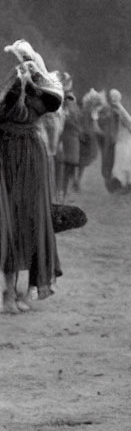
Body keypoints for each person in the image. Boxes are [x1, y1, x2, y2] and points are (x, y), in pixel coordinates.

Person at [0, 40, 63, 313]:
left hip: (31, 159)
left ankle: (21, 292)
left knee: (30, 221)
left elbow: (53, 99)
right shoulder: (13, 95)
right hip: (11, 158)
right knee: (11, 222)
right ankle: (8, 295)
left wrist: (31, 72)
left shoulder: (42, 91)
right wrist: (23, 79)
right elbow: (10, 101)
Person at [107, 89, 131, 192]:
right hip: (124, 140)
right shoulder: (118, 108)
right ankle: (126, 185)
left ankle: (127, 185)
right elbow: (128, 121)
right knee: (128, 162)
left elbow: (127, 122)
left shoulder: (114, 109)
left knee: (127, 162)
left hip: (123, 139)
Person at [55, 73, 82, 201]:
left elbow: (75, 118)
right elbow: (62, 122)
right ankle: (62, 193)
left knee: (69, 166)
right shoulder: (63, 102)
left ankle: (65, 192)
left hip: (72, 138)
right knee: (64, 167)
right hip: (66, 138)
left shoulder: (71, 101)